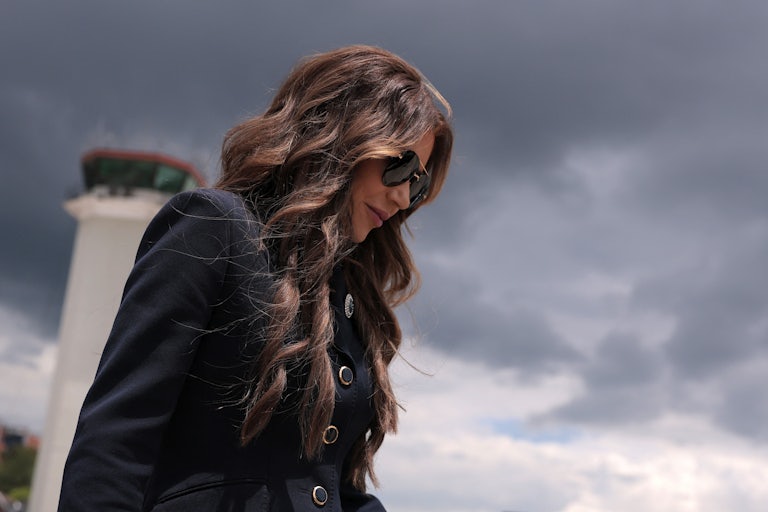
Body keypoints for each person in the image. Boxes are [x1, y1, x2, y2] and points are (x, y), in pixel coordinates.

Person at [58, 45, 453, 511]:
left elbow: (327, 485)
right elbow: (117, 438)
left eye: (420, 183)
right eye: (402, 165)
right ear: (343, 135)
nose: (405, 196)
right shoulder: (213, 227)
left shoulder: (350, 295)